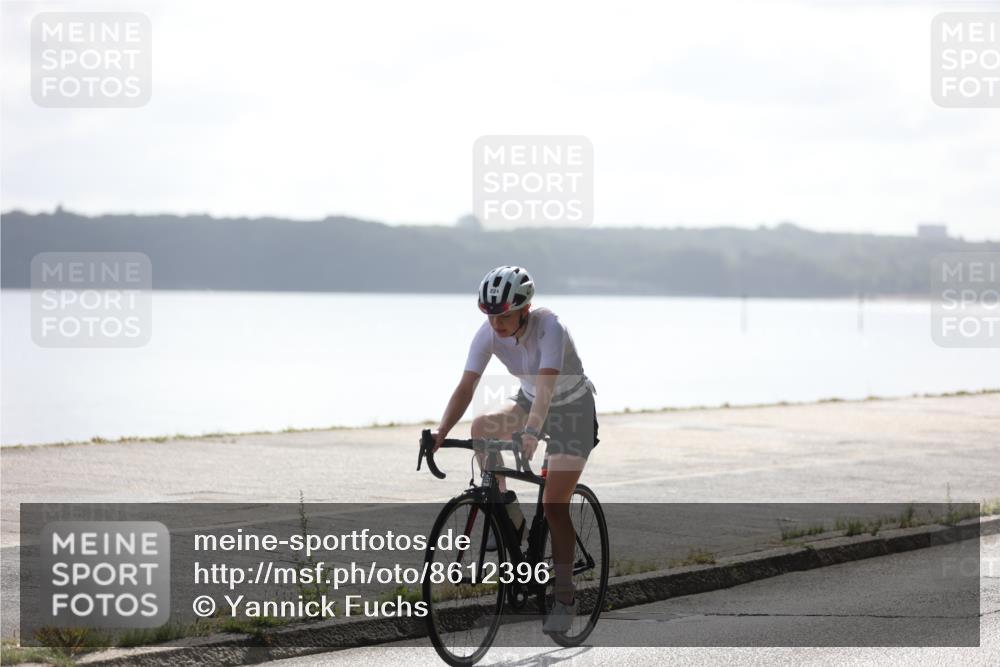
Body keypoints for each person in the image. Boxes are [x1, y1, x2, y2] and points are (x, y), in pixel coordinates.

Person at [432, 265, 599, 634]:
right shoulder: (489, 333)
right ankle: (507, 513)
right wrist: (442, 431)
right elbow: (465, 388)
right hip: (528, 401)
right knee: (480, 428)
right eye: (491, 315)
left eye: (505, 315)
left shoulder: (550, 327)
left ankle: (566, 596)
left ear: (525, 308)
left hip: (571, 408)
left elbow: (547, 387)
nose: (497, 323)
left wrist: (534, 431)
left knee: (555, 503)